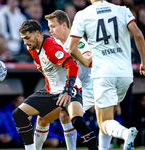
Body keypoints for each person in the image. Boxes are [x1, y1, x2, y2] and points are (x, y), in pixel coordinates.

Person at [68, 0, 145, 149]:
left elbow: (72, 49)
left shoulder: (83, 14)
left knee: (103, 123)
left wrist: (85, 61)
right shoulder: (123, 10)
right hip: (125, 74)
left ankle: (125, 134)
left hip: (104, 73)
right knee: (108, 116)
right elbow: (138, 35)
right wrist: (143, 61)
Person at [12, 20, 98, 150]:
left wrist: (67, 90)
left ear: (37, 33)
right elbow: (49, 70)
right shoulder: (33, 48)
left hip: (70, 89)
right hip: (51, 91)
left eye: (27, 38)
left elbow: (72, 66)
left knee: (76, 120)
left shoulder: (51, 48)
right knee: (19, 114)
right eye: (23, 39)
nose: (25, 42)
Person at [34, 10, 111, 150]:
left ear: (64, 25)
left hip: (87, 87)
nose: (50, 30)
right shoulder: (53, 43)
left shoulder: (77, 41)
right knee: (47, 117)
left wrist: (88, 58)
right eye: (49, 26)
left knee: (67, 115)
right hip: (68, 87)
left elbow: (88, 58)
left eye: (53, 26)